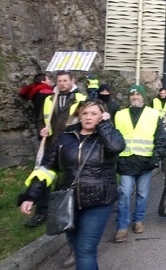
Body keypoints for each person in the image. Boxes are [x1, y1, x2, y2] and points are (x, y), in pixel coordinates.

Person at [19, 99, 125, 270]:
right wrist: (31, 195)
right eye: (84, 113)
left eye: (94, 113)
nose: (88, 117)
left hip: (98, 201)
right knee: (78, 248)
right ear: (79, 115)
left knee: (85, 250)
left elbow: (115, 147)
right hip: (67, 202)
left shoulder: (108, 136)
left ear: (102, 116)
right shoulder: (64, 137)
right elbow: (47, 168)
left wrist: (105, 125)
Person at [29, 71, 87, 228]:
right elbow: (41, 120)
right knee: (44, 176)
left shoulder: (81, 99)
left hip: (71, 145)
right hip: (50, 144)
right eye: (59, 81)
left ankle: (64, 209)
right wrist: (42, 130)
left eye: (65, 80)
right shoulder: (49, 99)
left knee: (66, 178)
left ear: (72, 81)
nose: (62, 83)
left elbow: (88, 120)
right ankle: (41, 211)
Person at [114, 85, 166, 242]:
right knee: (124, 193)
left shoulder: (153, 114)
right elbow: (113, 136)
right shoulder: (119, 115)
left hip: (146, 161)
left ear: (143, 97)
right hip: (126, 160)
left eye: (138, 94)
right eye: (132, 94)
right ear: (129, 97)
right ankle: (122, 226)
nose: (135, 96)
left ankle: (138, 221)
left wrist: (156, 156)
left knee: (142, 194)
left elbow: (161, 137)